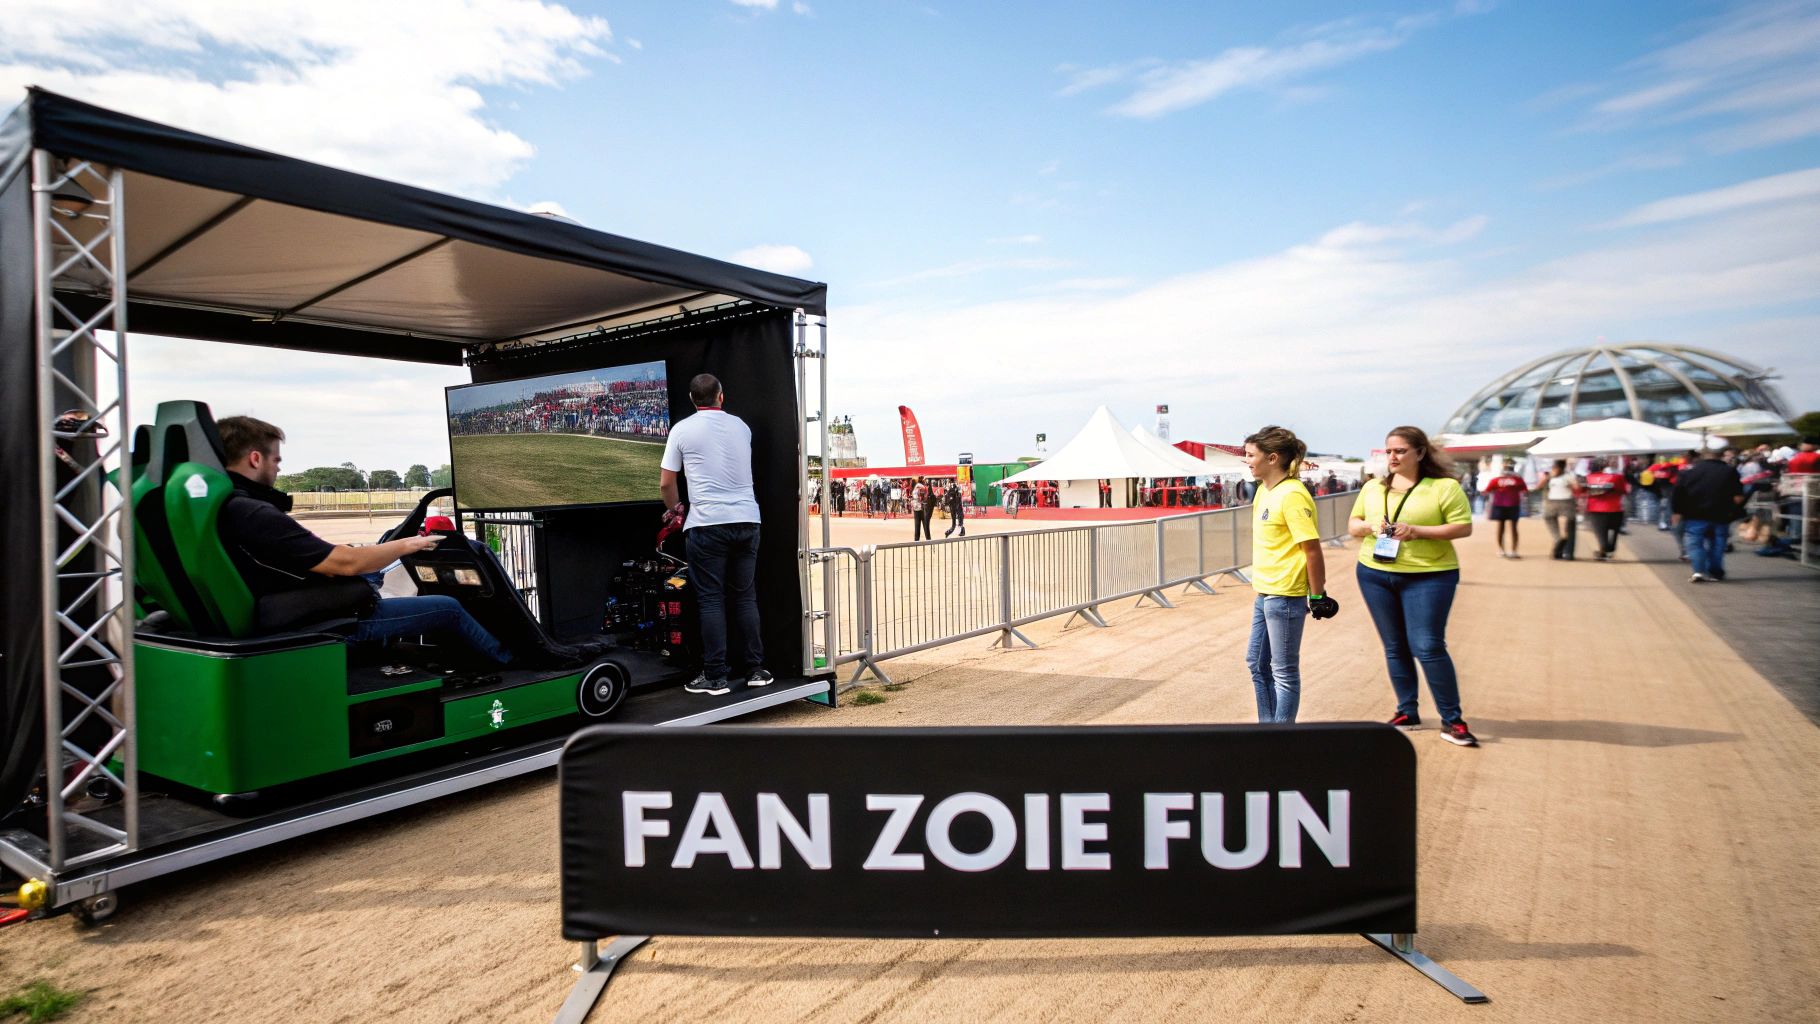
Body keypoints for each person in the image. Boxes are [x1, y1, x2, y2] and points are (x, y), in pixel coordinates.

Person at [213, 416, 514, 664]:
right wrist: (408, 544)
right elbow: (346, 563)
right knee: (448, 608)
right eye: (275, 459)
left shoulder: (223, 506)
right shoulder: (252, 512)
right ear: (255, 459)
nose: (278, 468)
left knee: (374, 575)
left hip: (288, 609)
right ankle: (514, 666)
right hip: (323, 622)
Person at [1347, 426, 1477, 746]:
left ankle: (1453, 720)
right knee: (1394, 646)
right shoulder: (1373, 488)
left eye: (1400, 451)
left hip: (1430, 574)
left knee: (1428, 646)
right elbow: (1353, 525)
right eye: (1389, 451)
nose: (1393, 456)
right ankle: (1407, 711)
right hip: (1375, 573)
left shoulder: (1443, 487)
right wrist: (1370, 527)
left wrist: (1416, 530)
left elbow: (1463, 527)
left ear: (1419, 453)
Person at [660, 373, 771, 696]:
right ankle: (755, 669)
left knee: (711, 600)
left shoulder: (682, 429)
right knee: (745, 597)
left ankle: (715, 676)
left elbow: (666, 482)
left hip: (707, 523)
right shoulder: (741, 426)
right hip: (747, 519)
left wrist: (675, 510)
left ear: (692, 399)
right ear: (721, 396)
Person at [1241, 425, 1333, 725]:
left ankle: (1282, 737)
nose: (1247, 461)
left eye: (1251, 455)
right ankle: (1269, 729)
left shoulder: (1292, 495)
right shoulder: (1264, 491)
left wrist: (1317, 595)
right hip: (1265, 592)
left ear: (1273, 458)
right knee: (1256, 663)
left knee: (1284, 671)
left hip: (1286, 595)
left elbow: (1312, 549)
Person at [1672, 447, 1745, 583]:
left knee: (1695, 543)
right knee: (1718, 543)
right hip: (1721, 515)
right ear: (1721, 455)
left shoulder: (1688, 472)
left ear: (1701, 456)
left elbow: (1678, 494)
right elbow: (1738, 497)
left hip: (1694, 515)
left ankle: (1699, 571)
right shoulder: (1729, 471)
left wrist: (1677, 512)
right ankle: (1715, 572)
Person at [1582, 458, 1630, 561]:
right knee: (1614, 531)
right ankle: (1609, 550)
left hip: (1596, 509)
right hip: (1615, 508)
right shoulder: (1617, 477)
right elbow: (1624, 491)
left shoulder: (1587, 478)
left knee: (1600, 532)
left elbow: (1581, 491)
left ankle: (1604, 550)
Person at [1483, 459, 1528, 558]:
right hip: (1512, 505)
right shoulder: (1518, 480)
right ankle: (1512, 551)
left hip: (1500, 505)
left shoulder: (1496, 480)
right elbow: (1525, 491)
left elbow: (1487, 491)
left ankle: (1503, 550)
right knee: (1512, 528)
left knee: (1502, 527)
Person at [1539, 459, 1582, 560]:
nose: (1553, 469)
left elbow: (1577, 487)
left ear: (1560, 468)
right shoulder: (1562, 476)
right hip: (1558, 503)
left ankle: (1563, 546)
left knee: (1568, 526)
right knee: (1566, 526)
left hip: (1562, 503)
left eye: (1554, 467)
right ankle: (1560, 543)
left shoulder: (1567, 476)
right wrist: (1547, 478)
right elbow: (1577, 488)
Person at [911, 476, 933, 541]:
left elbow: (914, 496)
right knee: (925, 525)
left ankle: (916, 540)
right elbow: (925, 497)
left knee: (917, 525)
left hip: (916, 508)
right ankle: (928, 539)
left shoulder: (916, 487)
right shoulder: (923, 487)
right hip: (923, 508)